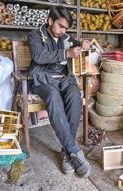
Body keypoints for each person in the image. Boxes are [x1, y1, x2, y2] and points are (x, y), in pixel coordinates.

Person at [27, 5, 90, 178]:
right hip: (42, 79)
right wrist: (66, 54)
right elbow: (38, 56)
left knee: (75, 96)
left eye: (65, 28)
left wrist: (82, 42)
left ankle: (66, 152)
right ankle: (74, 151)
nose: (63, 31)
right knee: (54, 97)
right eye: (60, 26)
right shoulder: (35, 35)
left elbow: (76, 42)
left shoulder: (66, 37)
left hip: (63, 78)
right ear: (50, 21)